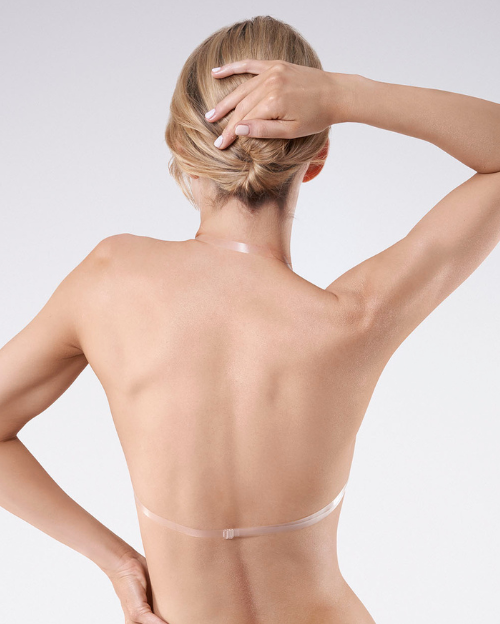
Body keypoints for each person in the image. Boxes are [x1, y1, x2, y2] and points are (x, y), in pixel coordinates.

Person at [0, 14, 499, 624]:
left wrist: (120, 563)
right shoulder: (355, 317)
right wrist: (347, 95)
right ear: (316, 157)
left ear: (182, 150)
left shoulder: (109, 281)